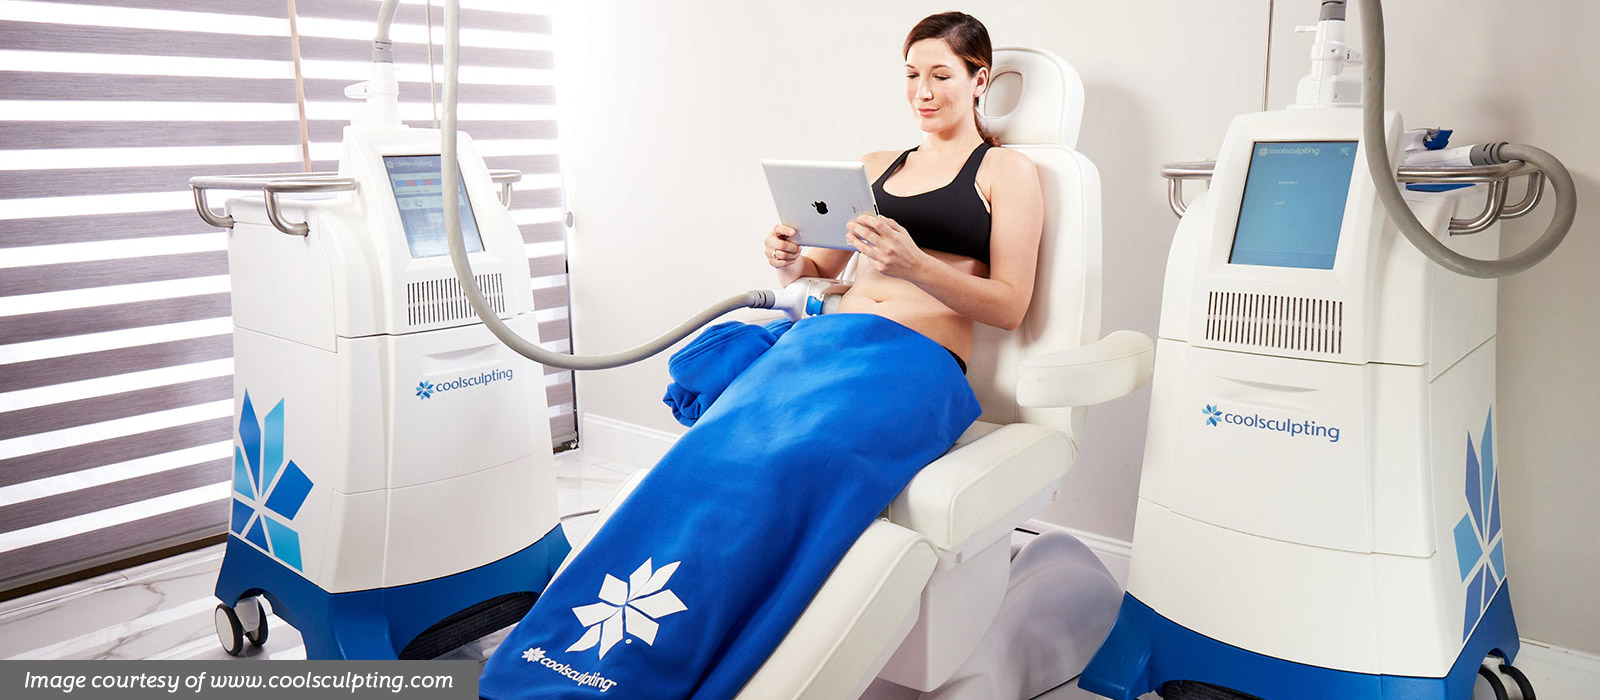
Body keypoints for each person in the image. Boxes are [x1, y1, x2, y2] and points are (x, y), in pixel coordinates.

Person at [764, 11, 1044, 372]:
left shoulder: (1005, 170)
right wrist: (787, 259)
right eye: (912, 75)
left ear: (979, 81)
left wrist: (916, 266)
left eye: (941, 76)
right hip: (831, 340)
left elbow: (1010, 309)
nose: (922, 93)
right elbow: (813, 273)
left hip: (915, 357)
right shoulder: (875, 165)